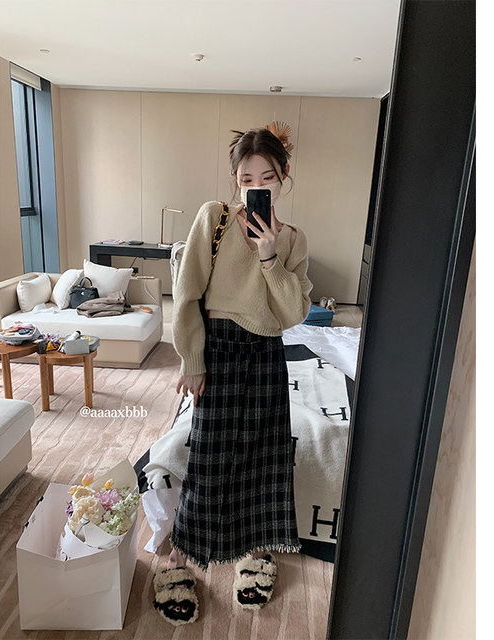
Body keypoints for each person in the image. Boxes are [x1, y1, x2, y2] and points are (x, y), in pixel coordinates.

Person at [153, 123, 313, 625]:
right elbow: (187, 293)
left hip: (265, 354)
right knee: (208, 456)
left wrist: (269, 257)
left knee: (263, 457)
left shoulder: (291, 239)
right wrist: (192, 360)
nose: (256, 187)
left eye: (267, 177)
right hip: (219, 351)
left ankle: (255, 551)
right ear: (235, 180)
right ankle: (179, 554)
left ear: (284, 176)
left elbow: (293, 313)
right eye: (246, 179)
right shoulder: (214, 219)